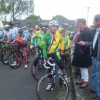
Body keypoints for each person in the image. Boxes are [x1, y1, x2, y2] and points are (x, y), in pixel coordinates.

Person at [78, 14, 100, 100]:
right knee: (94, 74)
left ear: (99, 21)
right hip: (94, 57)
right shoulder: (96, 31)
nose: (93, 22)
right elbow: (93, 44)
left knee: (99, 77)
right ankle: (94, 89)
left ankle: (99, 94)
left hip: (99, 58)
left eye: (94, 20)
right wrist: (85, 43)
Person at [43, 20, 69, 90]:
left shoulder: (58, 34)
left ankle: (65, 76)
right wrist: (45, 56)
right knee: (49, 70)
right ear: (50, 27)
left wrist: (62, 49)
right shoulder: (46, 36)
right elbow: (44, 47)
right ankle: (50, 84)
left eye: (56, 27)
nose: (55, 28)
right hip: (48, 54)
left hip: (55, 53)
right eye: (54, 27)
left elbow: (61, 42)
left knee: (60, 62)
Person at [72, 18, 92, 88]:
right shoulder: (80, 31)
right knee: (81, 66)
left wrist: (82, 51)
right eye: (78, 24)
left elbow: (88, 43)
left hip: (83, 52)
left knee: (84, 67)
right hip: (79, 51)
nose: (79, 25)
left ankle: (86, 81)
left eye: (80, 24)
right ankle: (82, 79)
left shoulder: (87, 32)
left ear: (84, 24)